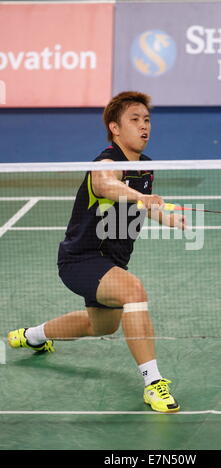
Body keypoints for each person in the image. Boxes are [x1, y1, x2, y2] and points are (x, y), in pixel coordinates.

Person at [7, 91, 186, 413]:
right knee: (134, 291)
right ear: (115, 128)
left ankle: (33, 335)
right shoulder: (106, 163)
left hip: (112, 262)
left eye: (147, 120)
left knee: (101, 326)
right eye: (134, 120)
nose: (144, 126)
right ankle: (153, 382)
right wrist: (140, 197)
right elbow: (107, 186)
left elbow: (140, 202)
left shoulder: (145, 166)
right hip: (81, 260)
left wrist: (167, 216)